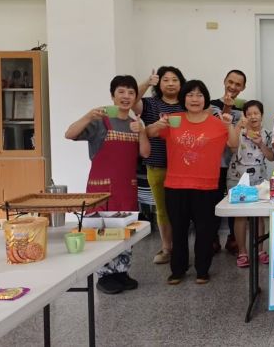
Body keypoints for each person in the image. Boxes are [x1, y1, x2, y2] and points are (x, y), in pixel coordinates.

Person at [65, 75, 151, 295]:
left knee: (126, 230)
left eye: (131, 92)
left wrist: (141, 131)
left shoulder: (134, 123)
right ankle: (105, 276)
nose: (126, 96)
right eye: (121, 91)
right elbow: (69, 134)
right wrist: (88, 115)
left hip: (127, 188)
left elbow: (145, 153)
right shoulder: (99, 122)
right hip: (101, 190)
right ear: (112, 96)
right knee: (101, 231)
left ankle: (121, 272)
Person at [146, 80, 237, 285]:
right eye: (190, 95)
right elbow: (149, 133)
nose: (194, 99)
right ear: (183, 98)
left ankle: (202, 270)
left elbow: (233, 144)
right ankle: (178, 270)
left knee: (205, 231)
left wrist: (229, 125)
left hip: (207, 186)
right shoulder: (173, 120)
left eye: (199, 95)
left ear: (205, 99)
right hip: (175, 185)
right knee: (178, 230)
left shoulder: (216, 122)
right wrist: (158, 125)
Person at [134, 66, 186, 265]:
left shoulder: (186, 104)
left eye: (175, 79)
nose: (170, 83)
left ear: (181, 83)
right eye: (166, 80)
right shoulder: (150, 103)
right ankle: (166, 248)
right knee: (162, 209)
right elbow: (133, 102)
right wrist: (147, 83)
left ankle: (181, 248)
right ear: (159, 83)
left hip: (183, 167)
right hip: (157, 165)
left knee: (181, 210)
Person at [227, 100, 274, 268]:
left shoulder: (267, 134)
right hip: (237, 177)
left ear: (262, 115)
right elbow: (232, 147)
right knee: (240, 216)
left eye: (256, 113)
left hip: (259, 179)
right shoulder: (238, 131)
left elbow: (271, 157)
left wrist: (260, 143)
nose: (253, 117)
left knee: (259, 216)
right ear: (244, 116)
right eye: (249, 114)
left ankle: (260, 250)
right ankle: (242, 252)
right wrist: (238, 126)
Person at [208, 69, 246, 255]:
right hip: (214, 163)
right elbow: (218, 129)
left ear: (243, 87)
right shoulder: (211, 105)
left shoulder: (245, 108)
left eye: (238, 84)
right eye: (230, 82)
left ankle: (234, 239)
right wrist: (227, 107)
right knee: (213, 202)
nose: (233, 86)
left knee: (235, 202)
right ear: (224, 81)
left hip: (237, 165)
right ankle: (212, 238)